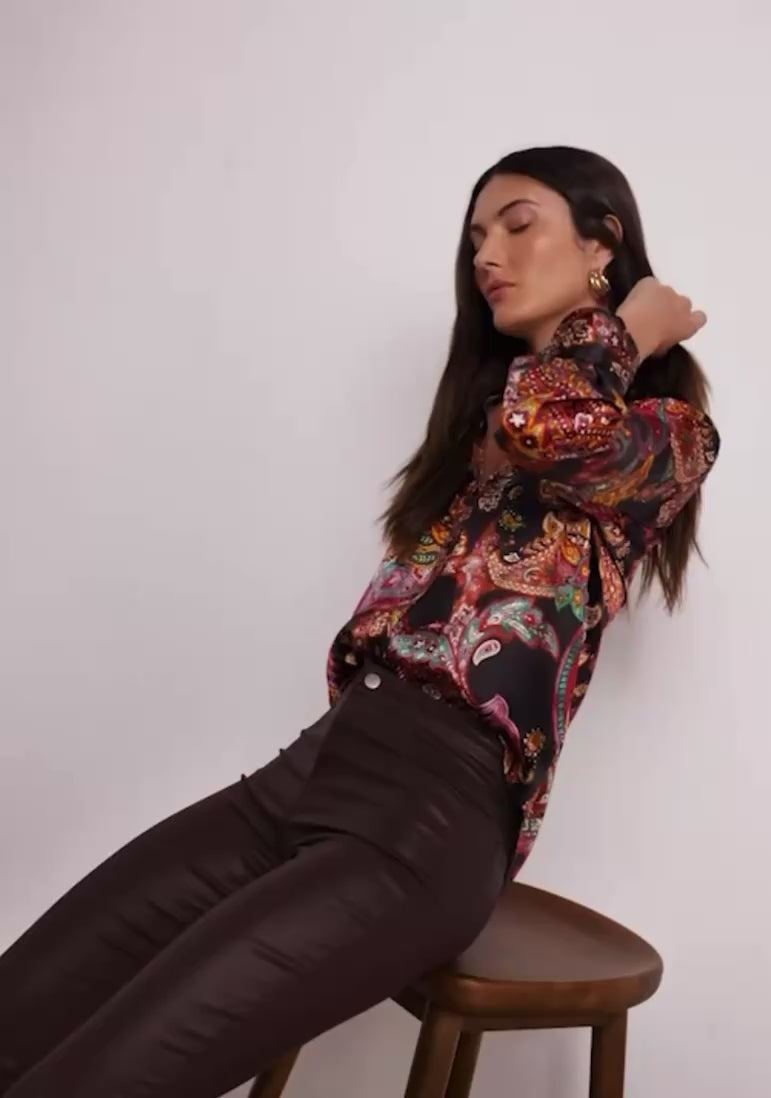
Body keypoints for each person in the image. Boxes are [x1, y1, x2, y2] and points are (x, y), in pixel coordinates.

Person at [0, 145, 720, 1097]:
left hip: (427, 821)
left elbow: (551, 428)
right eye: (475, 238)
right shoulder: (488, 415)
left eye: (517, 225)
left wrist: (623, 328)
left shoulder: (668, 434)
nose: (486, 255)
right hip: (313, 769)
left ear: (603, 244)